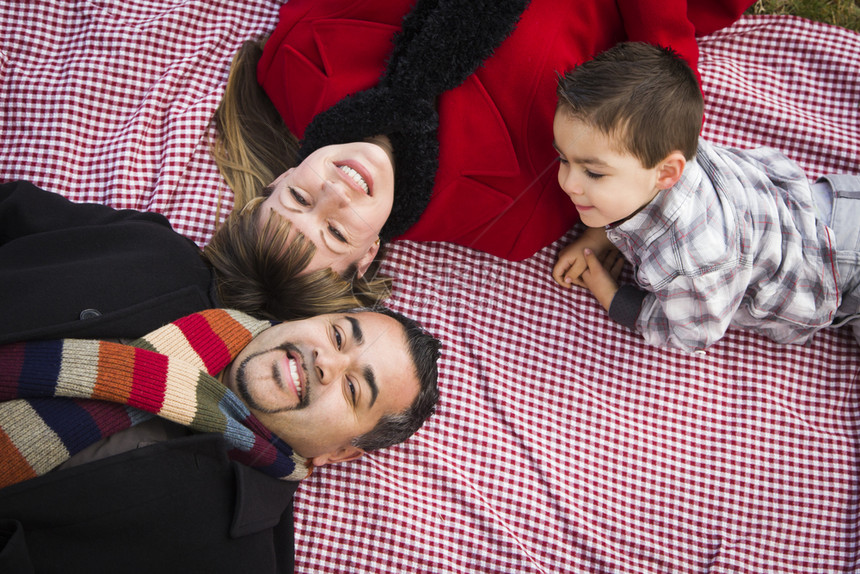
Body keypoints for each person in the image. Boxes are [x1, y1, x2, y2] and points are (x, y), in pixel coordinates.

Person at [212, 0, 753, 275]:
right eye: (334, 233)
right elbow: (652, 86)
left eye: (299, 199)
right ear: (368, 254)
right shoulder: (512, 219)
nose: (334, 194)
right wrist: (624, 218)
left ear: (280, 177)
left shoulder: (296, 62)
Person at [0, 306, 441, 573]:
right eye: (338, 335)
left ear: (342, 451)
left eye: (352, 389)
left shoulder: (234, 560)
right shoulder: (157, 254)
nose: (326, 362)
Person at [550, 42, 860, 353]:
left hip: (840, 271)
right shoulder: (662, 145)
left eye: (593, 173)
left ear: (667, 172)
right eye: (563, 158)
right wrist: (599, 235)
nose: (568, 183)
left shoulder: (692, 260)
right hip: (833, 204)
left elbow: (691, 334)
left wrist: (613, 296)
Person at [0, 180, 387, 344]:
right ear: (279, 178)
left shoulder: (250, 373)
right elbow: (16, 208)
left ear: (366, 258)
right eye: (298, 197)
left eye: (335, 234)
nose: (336, 189)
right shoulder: (154, 242)